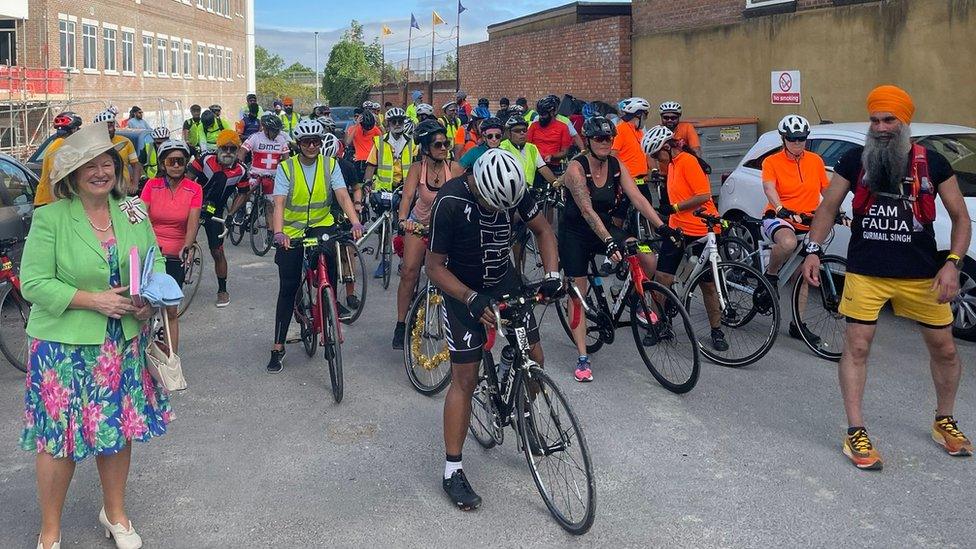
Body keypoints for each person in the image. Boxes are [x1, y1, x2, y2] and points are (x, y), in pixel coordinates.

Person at [801, 85, 973, 470]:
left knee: (945, 349)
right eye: (875, 119)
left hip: (921, 273)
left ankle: (944, 419)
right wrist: (812, 250)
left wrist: (953, 263)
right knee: (857, 347)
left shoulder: (933, 162)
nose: (880, 127)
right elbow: (828, 206)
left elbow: (961, 218)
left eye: (888, 119)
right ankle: (855, 431)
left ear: (904, 121)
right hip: (865, 271)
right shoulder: (853, 159)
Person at [20, 122, 169, 549]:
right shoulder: (50, 218)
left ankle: (115, 514)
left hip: (122, 343)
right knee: (58, 440)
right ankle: (50, 530)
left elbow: (154, 262)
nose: (100, 171)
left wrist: (148, 299)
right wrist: (93, 300)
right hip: (62, 349)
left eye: (107, 162)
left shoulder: (133, 210)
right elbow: (33, 284)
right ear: (71, 174)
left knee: (116, 429)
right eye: (90, 164)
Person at [426, 148, 560, 510]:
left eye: (507, 208)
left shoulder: (516, 190)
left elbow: (544, 230)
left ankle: (519, 408)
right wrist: (469, 298)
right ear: (476, 183)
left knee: (535, 357)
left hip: (503, 281)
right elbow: (434, 268)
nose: (500, 212)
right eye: (492, 204)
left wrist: (551, 275)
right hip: (461, 288)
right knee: (465, 379)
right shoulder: (450, 201)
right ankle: (452, 469)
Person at [561, 116, 676, 381]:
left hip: (605, 226)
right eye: (599, 138)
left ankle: (641, 303)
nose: (604, 143)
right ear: (588, 141)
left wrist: (662, 227)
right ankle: (582, 357)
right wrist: (609, 242)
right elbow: (587, 211)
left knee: (647, 257)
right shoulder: (576, 169)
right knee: (578, 292)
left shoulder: (615, 164)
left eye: (608, 138)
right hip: (577, 231)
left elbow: (637, 198)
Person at [266, 119, 364, 373]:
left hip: (322, 224)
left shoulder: (330, 165)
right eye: (307, 142)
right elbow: (279, 203)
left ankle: (327, 310)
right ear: (298, 144)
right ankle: (278, 346)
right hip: (291, 230)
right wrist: (278, 232)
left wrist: (355, 221)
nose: (312, 145)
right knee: (287, 287)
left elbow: (342, 195)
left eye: (316, 141)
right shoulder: (286, 168)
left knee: (329, 262)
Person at [644, 125, 729, 352]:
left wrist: (674, 207)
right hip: (678, 228)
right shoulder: (671, 164)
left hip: (702, 228)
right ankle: (661, 324)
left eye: (656, 154)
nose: (655, 159)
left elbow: (703, 195)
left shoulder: (687, 162)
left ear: (667, 148)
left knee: (708, 285)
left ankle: (716, 330)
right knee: (661, 278)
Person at [760, 115, 830, 343]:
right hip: (779, 218)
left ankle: (798, 325)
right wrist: (780, 207)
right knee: (788, 243)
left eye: (802, 139)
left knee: (806, 273)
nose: (798, 143)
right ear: (783, 139)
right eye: (793, 139)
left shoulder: (815, 161)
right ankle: (770, 275)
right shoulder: (771, 162)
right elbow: (769, 187)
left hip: (808, 220)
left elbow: (827, 190)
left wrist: (835, 209)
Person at [390, 120, 455, 349]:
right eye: (438, 144)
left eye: (446, 143)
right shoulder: (418, 169)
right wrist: (402, 220)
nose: (443, 148)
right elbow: (407, 198)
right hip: (418, 226)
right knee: (409, 272)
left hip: (446, 229)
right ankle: (401, 324)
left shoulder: (454, 169)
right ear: (426, 148)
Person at [140, 139, 203, 352]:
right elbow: (141, 217)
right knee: (142, 308)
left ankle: (172, 360)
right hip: (150, 252)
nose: (176, 165)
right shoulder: (151, 185)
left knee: (171, 310)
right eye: (171, 161)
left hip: (176, 253)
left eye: (180, 161)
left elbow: (193, 222)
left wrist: (187, 246)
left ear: (186, 163)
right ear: (163, 164)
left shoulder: (194, 189)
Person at [186, 129, 248, 308]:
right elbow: (188, 180)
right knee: (182, 245)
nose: (228, 152)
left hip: (216, 211)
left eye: (232, 149)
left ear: (237, 151)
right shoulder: (205, 159)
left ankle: (222, 290)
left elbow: (243, 194)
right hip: (194, 206)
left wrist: (231, 214)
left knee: (218, 252)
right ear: (218, 148)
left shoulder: (241, 170)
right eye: (224, 148)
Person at [363, 107, 415, 278]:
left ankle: (403, 260)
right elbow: (371, 165)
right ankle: (384, 262)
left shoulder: (412, 143)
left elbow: (418, 165)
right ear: (388, 124)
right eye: (394, 122)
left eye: (400, 121)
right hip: (384, 189)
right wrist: (368, 183)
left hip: (405, 190)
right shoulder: (379, 142)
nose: (398, 124)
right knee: (383, 226)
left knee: (403, 228)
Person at [239, 114, 291, 242]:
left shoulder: (281, 140)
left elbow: (286, 160)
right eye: (274, 130)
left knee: (270, 205)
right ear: (266, 129)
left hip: (272, 178)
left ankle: (270, 234)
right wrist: (240, 165)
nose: (277, 133)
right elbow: (242, 152)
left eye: (278, 130)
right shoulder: (255, 137)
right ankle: (240, 212)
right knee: (245, 193)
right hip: (255, 175)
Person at [34, 111, 83, 207]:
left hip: (49, 201)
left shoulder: (58, 143)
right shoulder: (60, 145)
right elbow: (55, 177)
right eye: (78, 129)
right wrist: (58, 206)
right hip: (48, 202)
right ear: (73, 130)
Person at [499, 116, 557, 191]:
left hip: (529, 191)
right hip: (511, 191)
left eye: (524, 130)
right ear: (508, 133)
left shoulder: (532, 148)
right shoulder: (503, 148)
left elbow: (542, 168)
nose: (522, 133)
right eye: (517, 131)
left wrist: (555, 182)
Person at [612, 97, 653, 203]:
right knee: (621, 213)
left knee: (648, 208)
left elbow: (646, 153)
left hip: (641, 180)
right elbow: (613, 155)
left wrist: (653, 170)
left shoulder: (639, 132)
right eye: (645, 115)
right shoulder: (620, 130)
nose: (646, 118)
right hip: (627, 181)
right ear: (638, 115)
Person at [93, 109, 142, 195]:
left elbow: (136, 165)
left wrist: (134, 184)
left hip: (123, 188)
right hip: (100, 188)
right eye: (104, 127)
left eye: (110, 126)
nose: (108, 130)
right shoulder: (92, 144)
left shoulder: (125, 142)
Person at [526, 96, 571, 175]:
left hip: (553, 166)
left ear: (552, 112)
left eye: (544, 114)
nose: (541, 117)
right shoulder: (534, 126)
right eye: (540, 114)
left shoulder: (563, 127)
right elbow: (526, 145)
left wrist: (552, 156)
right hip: (534, 165)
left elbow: (564, 152)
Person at [345, 108, 382, 184]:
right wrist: (356, 125)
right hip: (360, 161)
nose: (367, 130)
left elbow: (382, 142)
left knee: (369, 184)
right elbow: (347, 142)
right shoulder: (354, 128)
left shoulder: (374, 129)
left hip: (372, 160)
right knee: (361, 184)